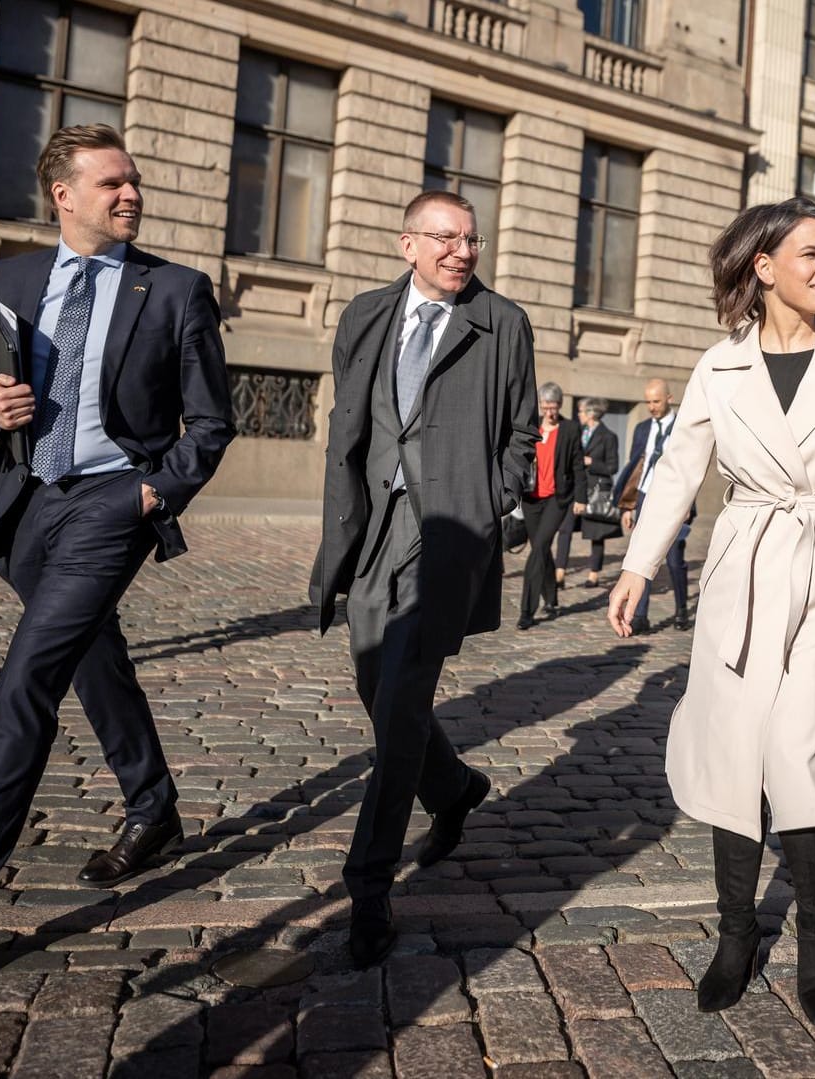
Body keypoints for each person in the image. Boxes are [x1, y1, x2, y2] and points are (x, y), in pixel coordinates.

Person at [0, 124, 236, 1003]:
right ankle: (155, 805)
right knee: (93, 654)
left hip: (111, 503)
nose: (130, 194)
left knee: (23, 686)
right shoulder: (15, 279)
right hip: (26, 506)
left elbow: (211, 423)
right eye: (112, 183)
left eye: (134, 181)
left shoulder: (175, 288)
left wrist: (148, 494)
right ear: (63, 194)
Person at [607, 198, 815, 1023]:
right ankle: (736, 934)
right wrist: (639, 565)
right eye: (811, 253)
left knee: (795, 747)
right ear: (765, 266)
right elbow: (679, 471)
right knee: (735, 750)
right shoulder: (720, 364)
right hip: (743, 565)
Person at [309, 189, 537, 966]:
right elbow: (352, 416)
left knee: (402, 704)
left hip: (446, 534)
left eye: (471, 239)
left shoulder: (503, 322)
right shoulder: (365, 313)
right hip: (372, 524)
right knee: (378, 688)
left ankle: (368, 885)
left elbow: (521, 431)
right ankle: (453, 788)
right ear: (408, 244)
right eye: (444, 238)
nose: (462, 252)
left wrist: (487, 502)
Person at [616, 379, 693, 632]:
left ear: (669, 398)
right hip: (644, 498)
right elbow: (634, 468)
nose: (651, 407)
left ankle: (681, 609)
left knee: (673, 559)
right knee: (642, 556)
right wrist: (628, 506)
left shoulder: (684, 427)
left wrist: (688, 505)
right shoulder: (641, 429)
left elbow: (691, 468)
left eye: (656, 401)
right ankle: (640, 616)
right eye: (647, 401)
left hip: (675, 500)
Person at [518, 382, 583, 629]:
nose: (549, 412)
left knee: (538, 549)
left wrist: (581, 498)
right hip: (531, 499)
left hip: (557, 499)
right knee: (541, 549)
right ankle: (552, 599)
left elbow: (577, 464)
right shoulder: (530, 426)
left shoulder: (569, 429)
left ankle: (527, 610)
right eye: (545, 407)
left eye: (553, 407)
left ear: (560, 405)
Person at [556, 398, 621, 588]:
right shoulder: (577, 431)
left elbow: (613, 467)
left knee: (596, 533)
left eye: (582, 411)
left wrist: (591, 462)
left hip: (596, 491)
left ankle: (594, 574)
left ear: (591, 414)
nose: (578, 415)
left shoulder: (609, 436)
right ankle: (559, 572)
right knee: (565, 529)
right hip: (575, 488)